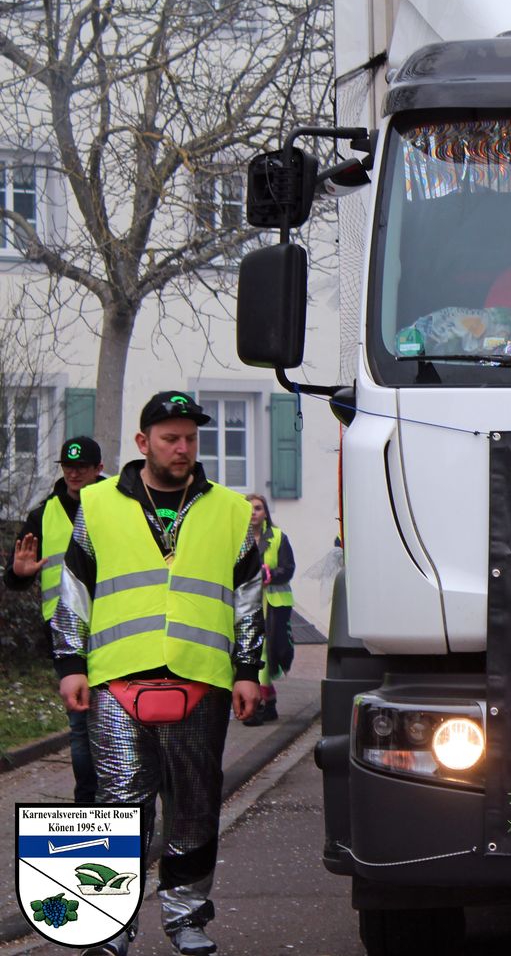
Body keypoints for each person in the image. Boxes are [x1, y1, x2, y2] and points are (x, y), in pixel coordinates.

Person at [52, 391, 263, 956]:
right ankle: (108, 924)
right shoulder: (97, 505)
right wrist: (70, 664)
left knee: (194, 803)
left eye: (191, 438)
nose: (183, 448)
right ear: (143, 442)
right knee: (117, 804)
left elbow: (248, 598)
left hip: (201, 678)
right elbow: (74, 590)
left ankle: (186, 917)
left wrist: (248, 669)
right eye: (171, 438)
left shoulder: (231, 512)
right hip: (116, 679)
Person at [6, 434, 106, 803]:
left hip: (114, 624)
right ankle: (87, 804)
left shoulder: (119, 505)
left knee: (117, 720)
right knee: (80, 725)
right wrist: (19, 572)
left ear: (99, 468)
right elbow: (15, 576)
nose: (73, 473)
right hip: (64, 632)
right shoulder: (42, 514)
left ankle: (120, 801)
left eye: (82, 467)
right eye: (68, 467)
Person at [243, 493, 294, 726]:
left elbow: (288, 568)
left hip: (273, 604)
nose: (253, 512)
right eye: (249, 508)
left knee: (266, 651)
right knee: (249, 650)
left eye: (258, 508)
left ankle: (259, 706)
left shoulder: (278, 537)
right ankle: (267, 704)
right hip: (245, 602)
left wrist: (269, 575)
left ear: (265, 513)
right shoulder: (237, 538)